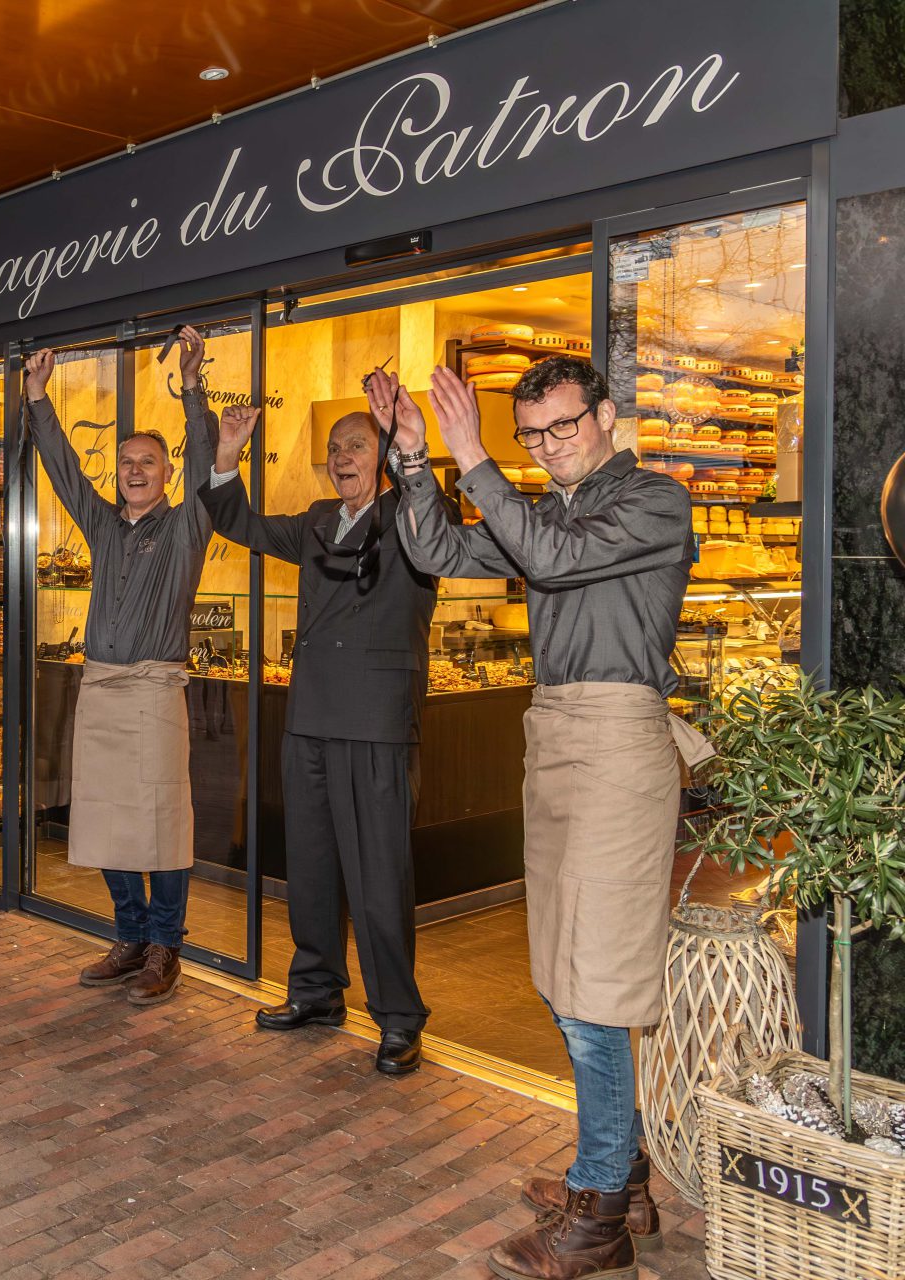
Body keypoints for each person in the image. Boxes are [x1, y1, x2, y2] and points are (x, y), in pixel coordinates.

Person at [386, 356, 705, 1280]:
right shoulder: (547, 514)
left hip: (617, 741)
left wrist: (474, 459)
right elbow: (440, 553)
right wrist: (416, 464)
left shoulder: (655, 500)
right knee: (565, 964)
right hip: (556, 733)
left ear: (606, 416)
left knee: (594, 980)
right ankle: (628, 1173)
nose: (549, 447)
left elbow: (556, 559)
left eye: (563, 427)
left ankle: (601, 1207)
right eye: (532, 435)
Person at [198, 396, 439, 1075]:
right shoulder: (313, 522)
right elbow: (235, 519)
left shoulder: (412, 517)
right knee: (309, 863)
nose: (342, 459)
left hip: (375, 723)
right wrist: (227, 454)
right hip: (308, 716)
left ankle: (398, 1018)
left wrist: (408, 441)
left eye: (356, 446)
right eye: (335, 449)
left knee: (378, 878)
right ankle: (315, 991)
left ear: (386, 458)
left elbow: (437, 516)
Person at [21, 329, 214, 1006]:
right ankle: (129, 936)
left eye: (148, 462)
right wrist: (39, 400)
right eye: (127, 462)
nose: (135, 470)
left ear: (166, 474)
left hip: (156, 691)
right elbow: (65, 470)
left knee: (162, 821)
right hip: (101, 689)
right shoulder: (103, 526)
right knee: (107, 819)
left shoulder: (189, 524)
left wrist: (193, 389)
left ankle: (167, 945)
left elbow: (208, 463)